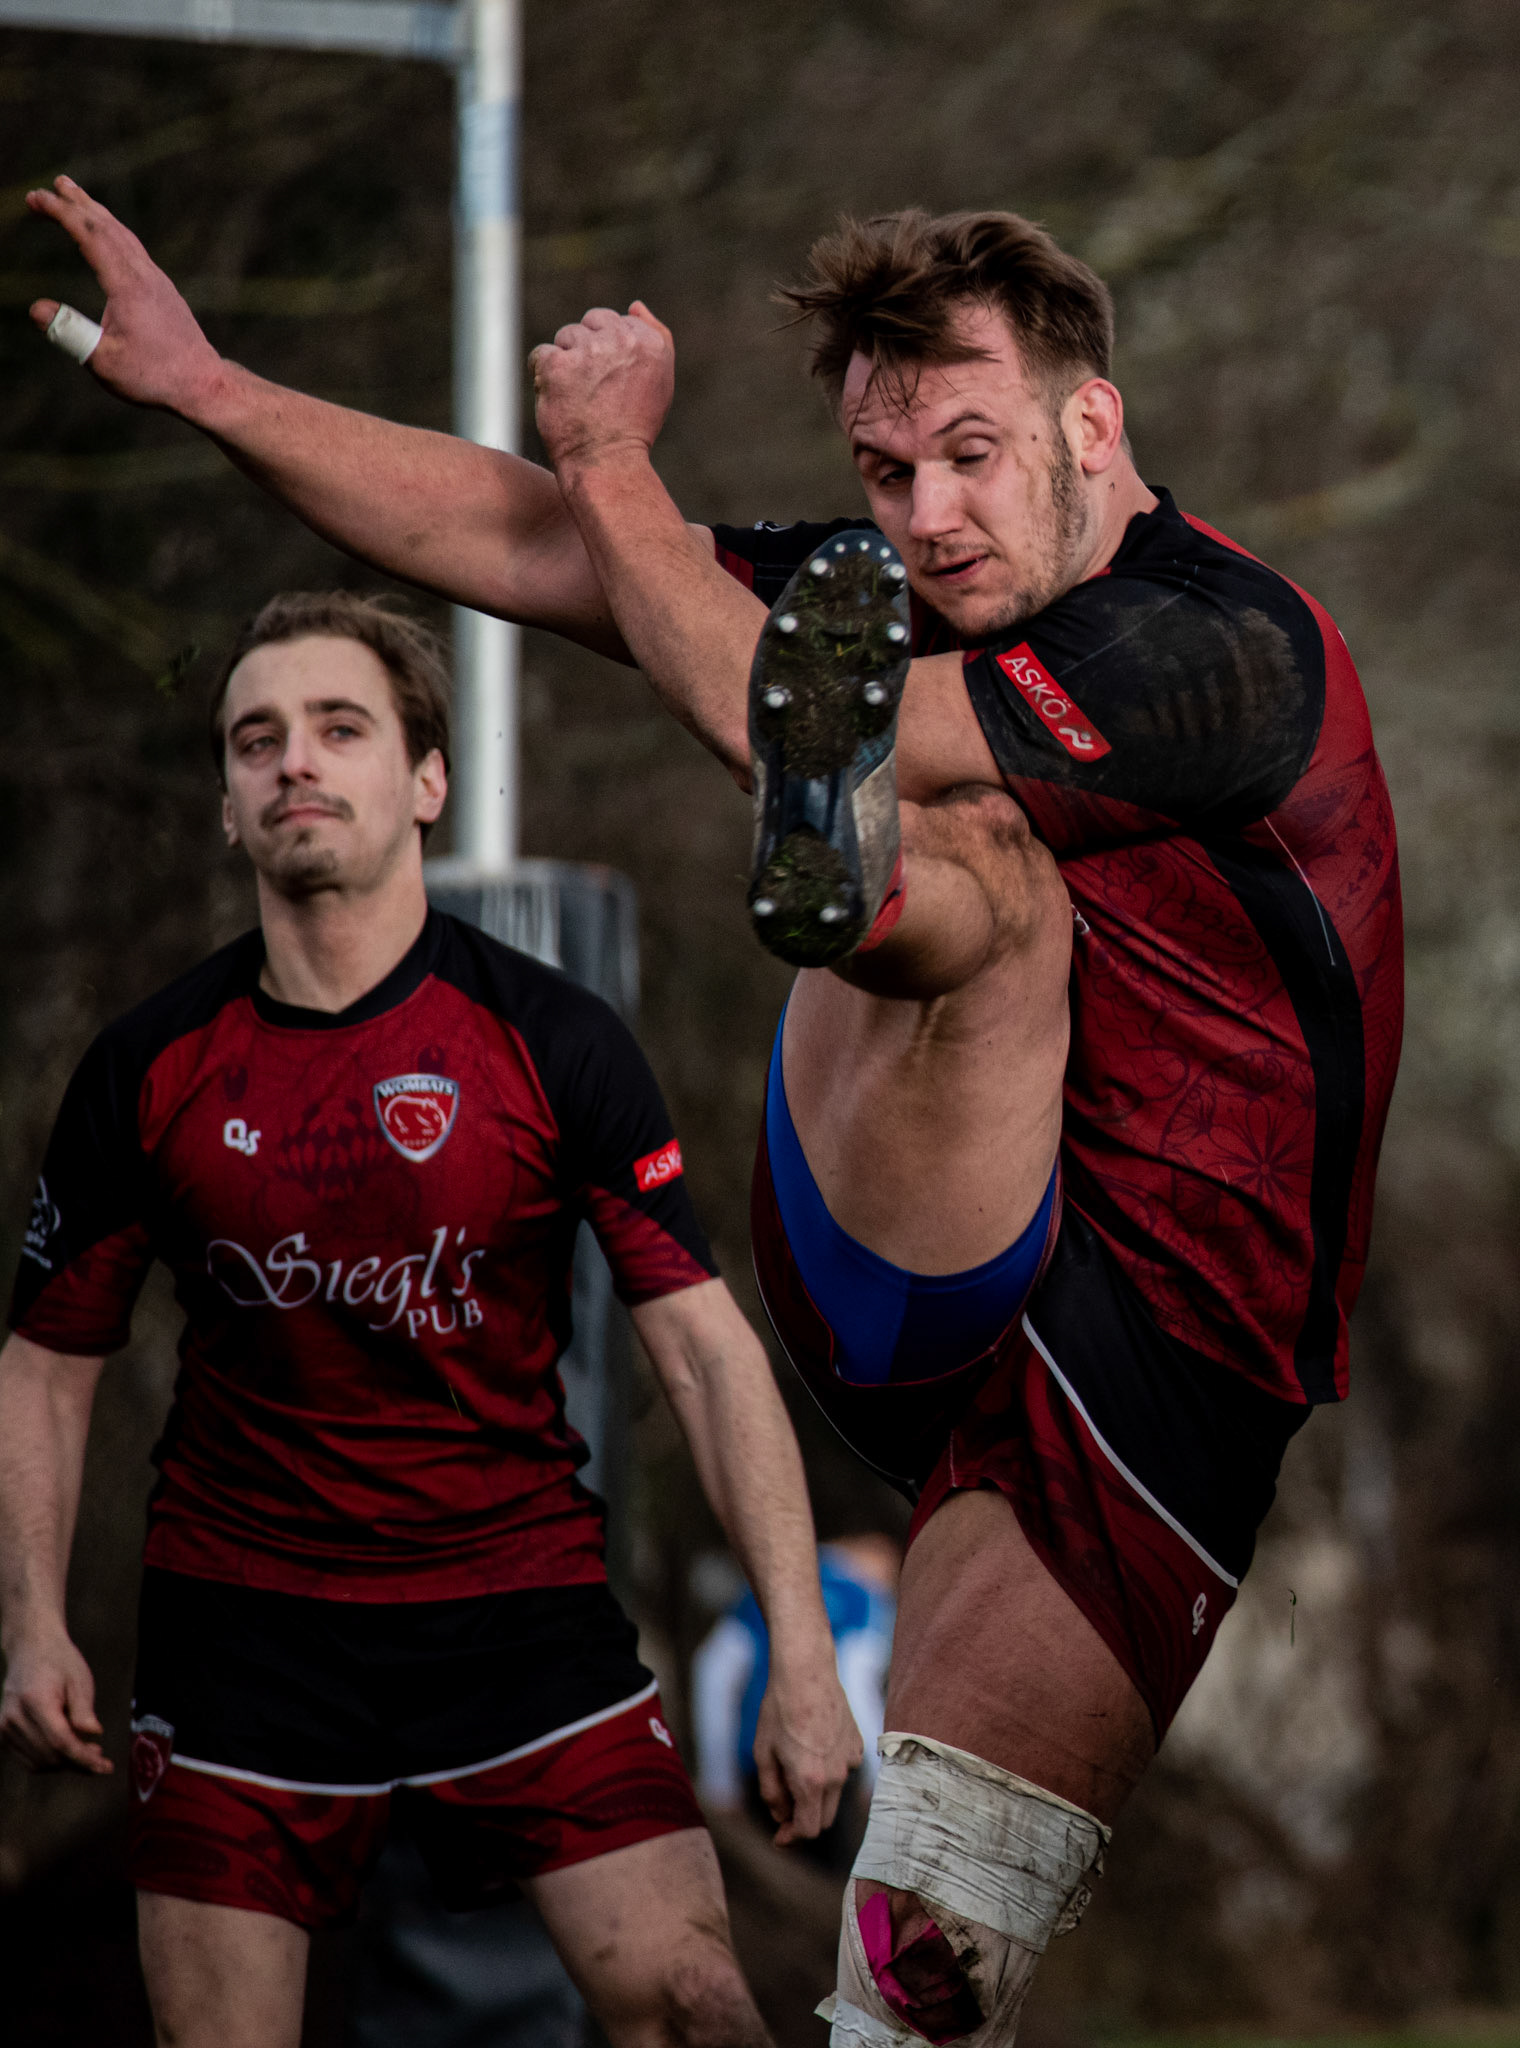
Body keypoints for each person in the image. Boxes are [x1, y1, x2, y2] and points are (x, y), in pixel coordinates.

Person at [25, 184, 1404, 2046]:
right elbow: (530, 535)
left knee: (923, 1979)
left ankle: (846, 827)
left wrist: (611, 459)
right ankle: (854, 871)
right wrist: (212, 388)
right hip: (904, 1207)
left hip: (1157, 1354)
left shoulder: (1227, 653)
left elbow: (626, 550)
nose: (925, 516)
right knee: (964, 831)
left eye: (971, 456)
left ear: (1093, 425)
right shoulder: (893, 594)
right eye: (884, 472)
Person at [0, 588, 860, 2048]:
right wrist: (30, 1625)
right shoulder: (146, 1068)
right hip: (243, 1638)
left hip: (518, 1614)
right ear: (226, 805)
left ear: (428, 781)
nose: (294, 760)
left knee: (699, 2004)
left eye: (340, 727)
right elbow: (45, 1363)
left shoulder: (553, 1038)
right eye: (256, 740)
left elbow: (708, 1356)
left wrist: (805, 1654)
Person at [693, 1531, 897, 1868]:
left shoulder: (766, 1588)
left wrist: (718, 1781)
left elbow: (714, 1670)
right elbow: (855, 1682)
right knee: (825, 1879)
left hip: (758, 1758)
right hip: (828, 1761)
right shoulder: (861, 1598)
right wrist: (879, 1775)